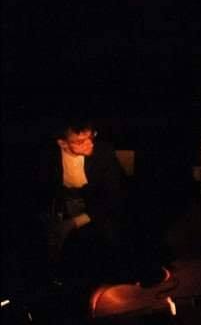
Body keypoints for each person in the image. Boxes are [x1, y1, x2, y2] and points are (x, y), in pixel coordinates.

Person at [38, 118, 132, 286]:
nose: (90, 144)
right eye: (81, 141)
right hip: (64, 206)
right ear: (62, 143)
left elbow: (114, 196)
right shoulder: (48, 157)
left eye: (91, 137)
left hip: (98, 209)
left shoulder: (103, 152)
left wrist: (74, 222)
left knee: (106, 239)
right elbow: (43, 191)